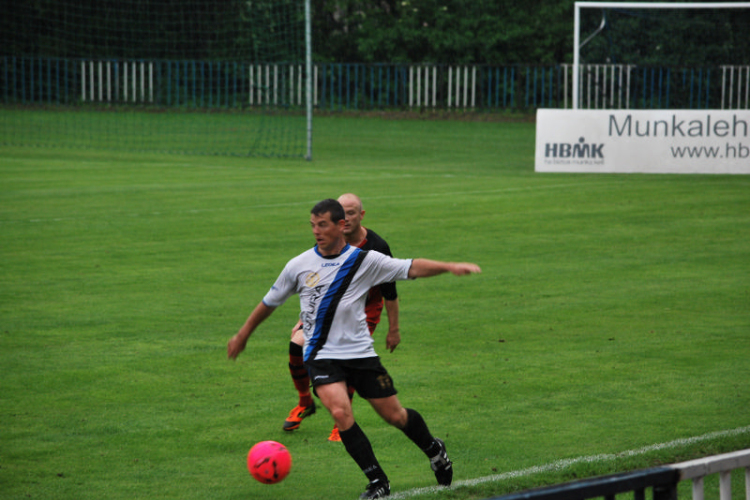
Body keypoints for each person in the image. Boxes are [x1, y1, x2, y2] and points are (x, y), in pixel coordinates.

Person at [227, 198, 481, 499]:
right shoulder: (298, 265)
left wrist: (449, 266)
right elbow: (269, 303)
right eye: (313, 225)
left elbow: (411, 267)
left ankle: (434, 449)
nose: (317, 231)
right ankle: (378, 482)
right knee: (340, 412)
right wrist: (243, 334)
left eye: (323, 225)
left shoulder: (366, 261)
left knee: (395, 416)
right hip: (321, 356)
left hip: (360, 354)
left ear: (341, 225)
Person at [284, 193, 401, 442]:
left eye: (351, 213)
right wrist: (304, 317)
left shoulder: (377, 247)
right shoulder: (329, 241)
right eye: (341, 213)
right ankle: (305, 401)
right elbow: (315, 282)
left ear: (361, 215)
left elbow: (390, 293)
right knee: (296, 344)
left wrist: (394, 330)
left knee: (343, 359)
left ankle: (342, 422)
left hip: (361, 314)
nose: (345, 218)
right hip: (326, 311)